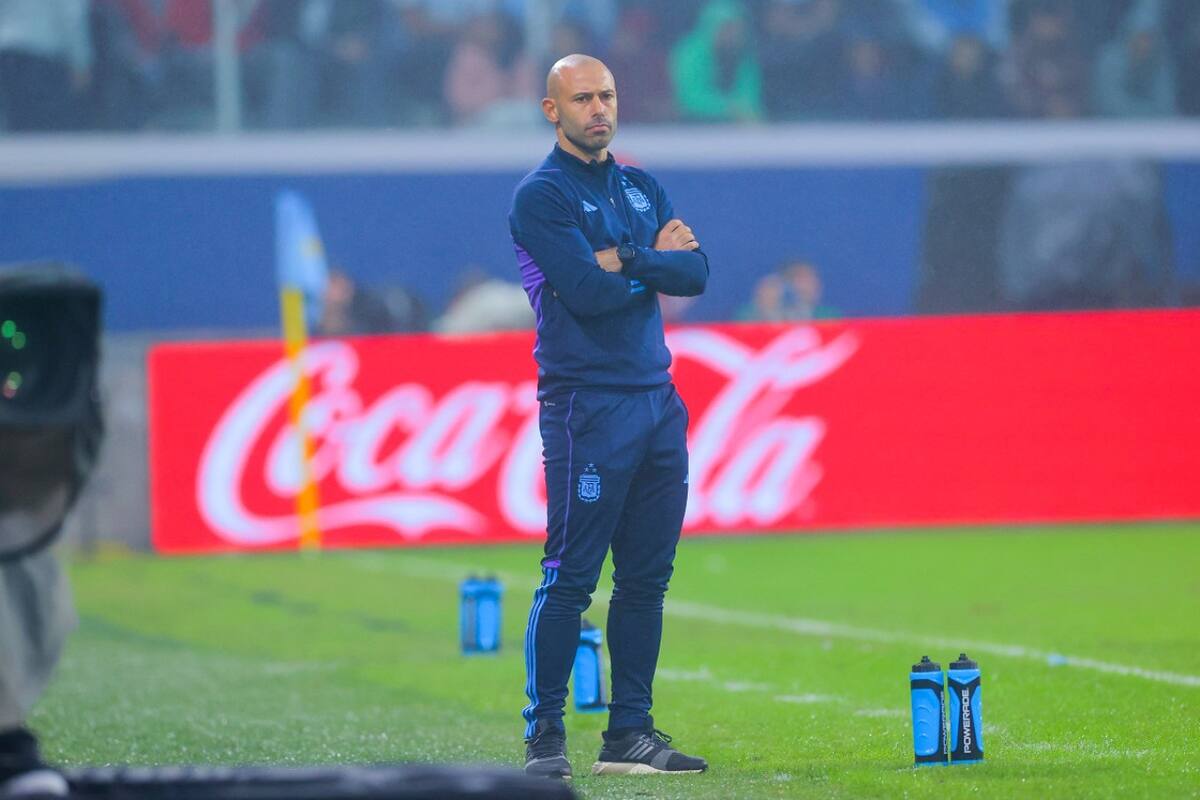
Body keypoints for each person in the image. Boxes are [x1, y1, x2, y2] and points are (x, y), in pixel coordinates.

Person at [508, 54, 709, 780]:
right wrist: (646, 260)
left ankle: (630, 734)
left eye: (608, 95)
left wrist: (623, 258)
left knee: (647, 580)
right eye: (583, 97)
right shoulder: (542, 197)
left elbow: (695, 272)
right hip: (585, 407)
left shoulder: (639, 185)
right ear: (551, 110)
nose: (600, 108)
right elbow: (585, 295)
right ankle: (545, 740)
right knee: (570, 577)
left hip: (657, 403)